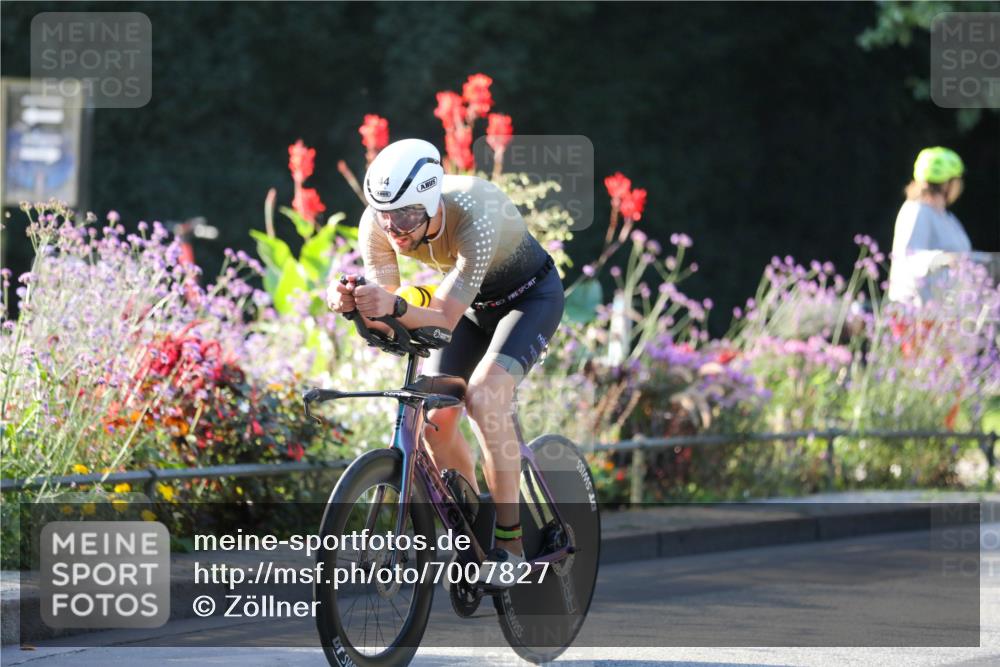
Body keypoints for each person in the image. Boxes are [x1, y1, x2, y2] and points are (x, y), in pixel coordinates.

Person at [326, 138, 564, 586]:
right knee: (434, 419)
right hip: (473, 309)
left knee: (484, 399)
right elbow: (388, 313)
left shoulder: (476, 210)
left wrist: (392, 307)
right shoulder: (378, 223)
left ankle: (509, 544)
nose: (395, 229)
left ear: (432, 201)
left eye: (409, 216)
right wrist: (353, 304)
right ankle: (474, 526)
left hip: (529, 299)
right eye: (386, 215)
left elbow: (440, 318)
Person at [887, 146, 972, 305]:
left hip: (945, 313)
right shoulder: (917, 211)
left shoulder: (949, 218)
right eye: (957, 180)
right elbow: (910, 256)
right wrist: (942, 258)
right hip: (917, 315)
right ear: (947, 184)